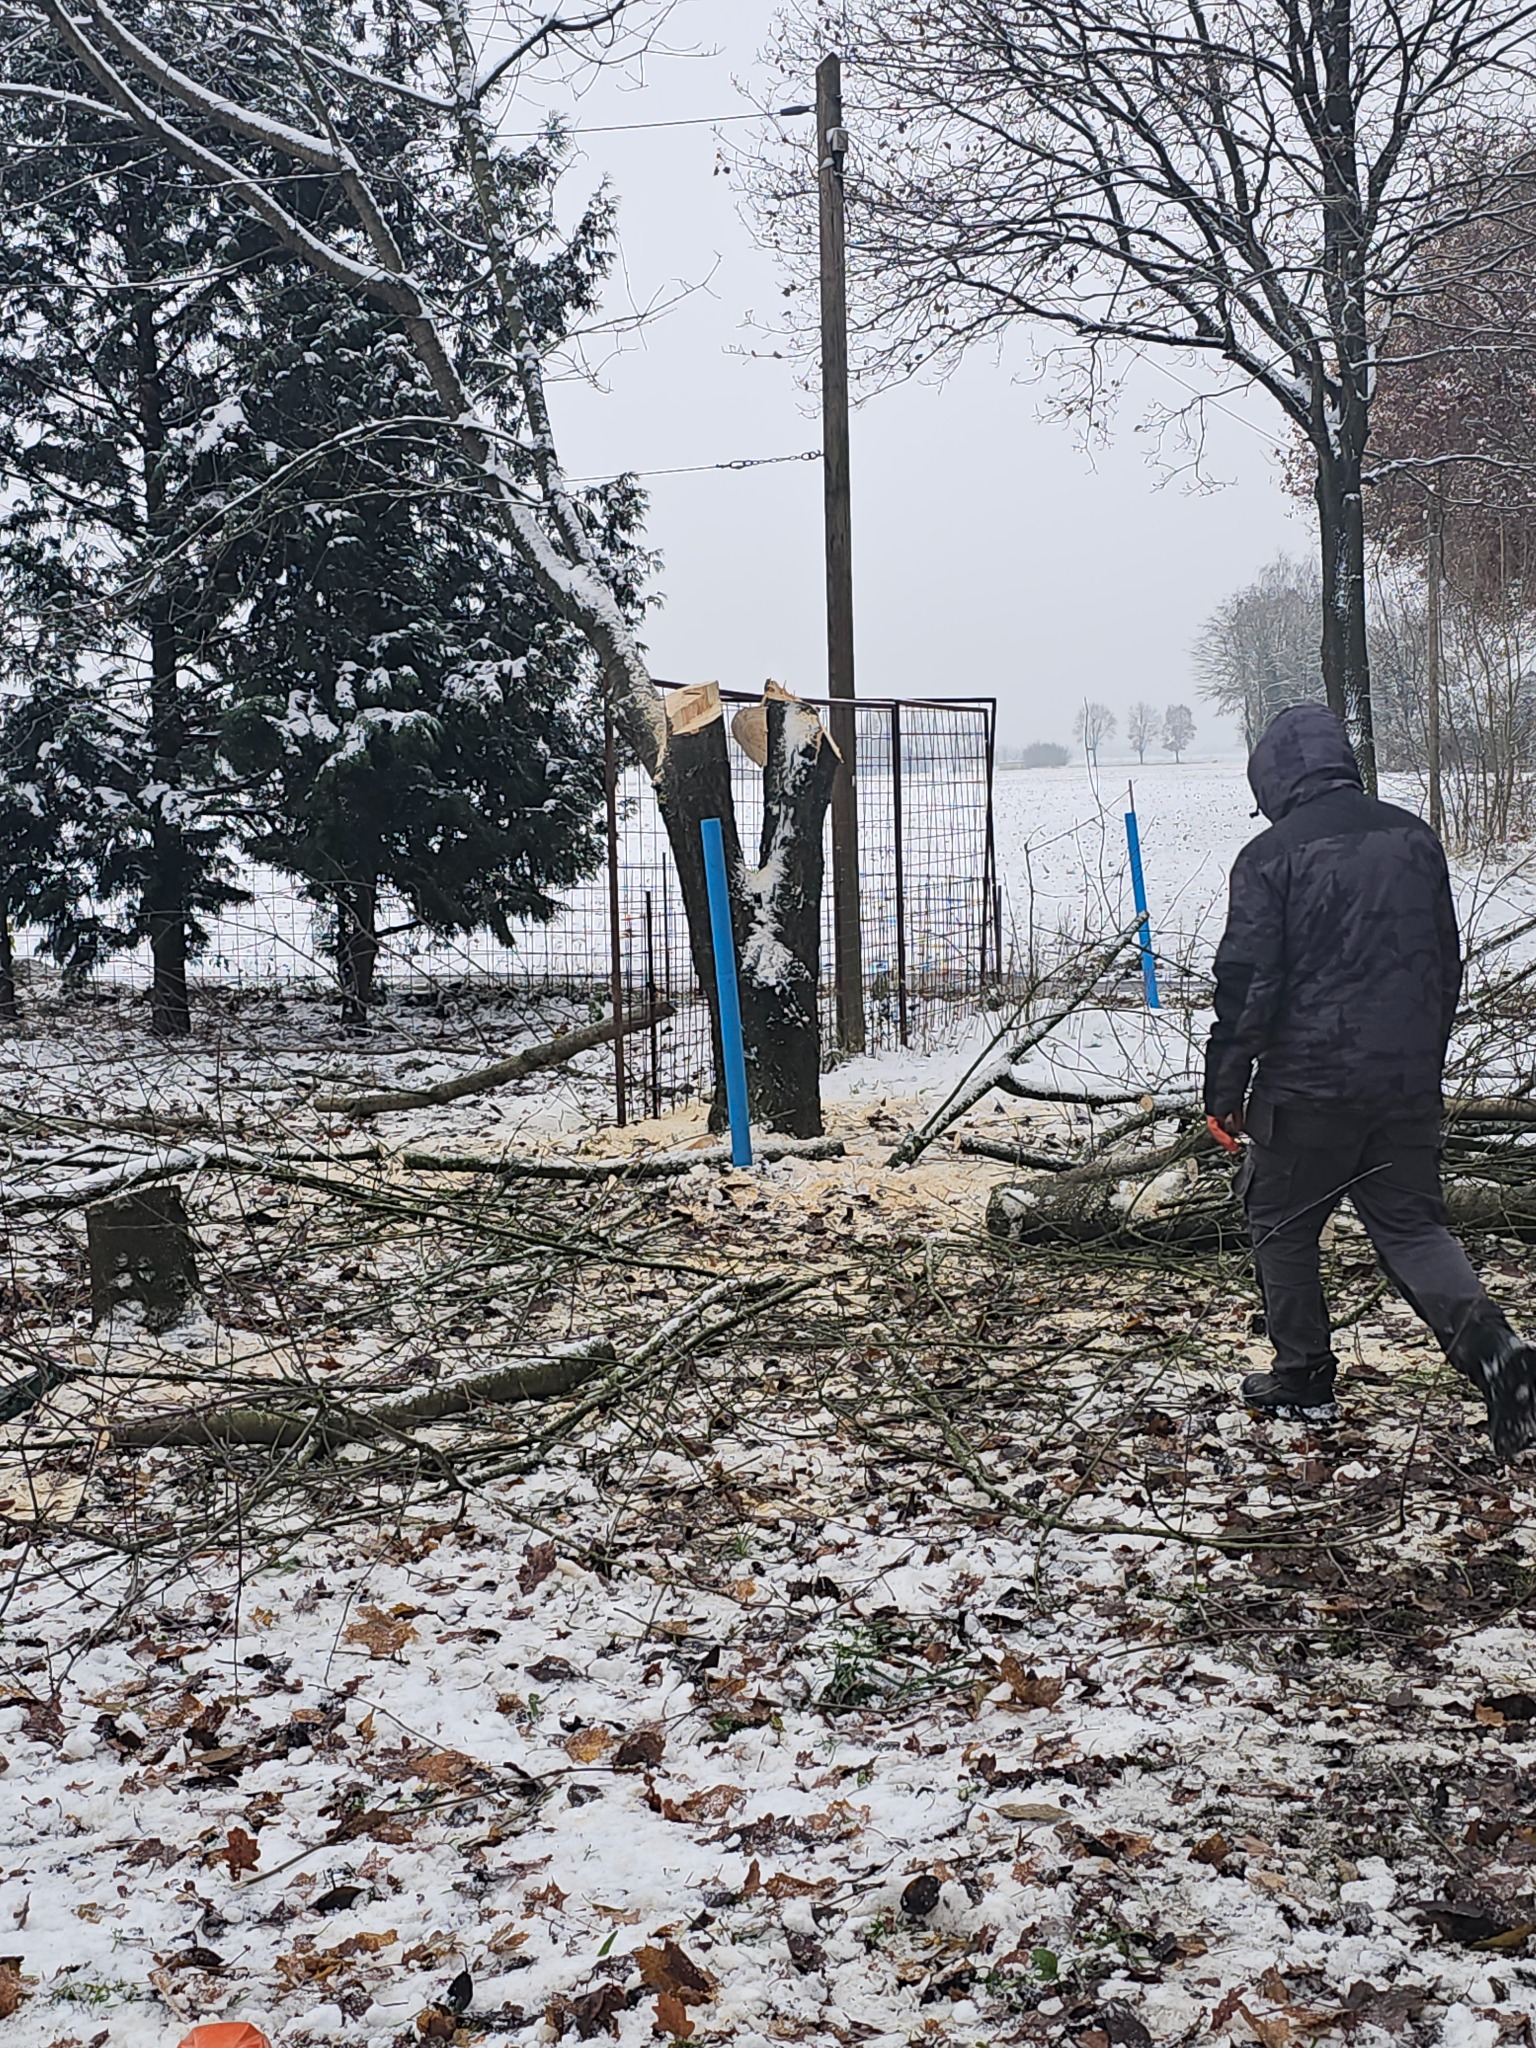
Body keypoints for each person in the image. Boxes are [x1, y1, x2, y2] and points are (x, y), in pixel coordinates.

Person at [1203, 701, 1536, 1457]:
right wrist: (1421, 1059)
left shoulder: (1270, 855)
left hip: (1306, 1090)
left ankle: (1303, 1376)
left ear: (1274, 778)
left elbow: (1248, 984)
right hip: (1405, 1085)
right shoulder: (1412, 837)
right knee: (1413, 1226)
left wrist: (1224, 1090)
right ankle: (1498, 1354)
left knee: (1281, 1223)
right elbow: (1444, 962)